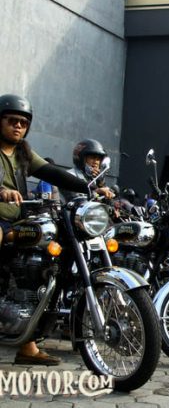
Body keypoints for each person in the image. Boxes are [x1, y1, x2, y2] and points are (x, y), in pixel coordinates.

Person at [0, 94, 92, 365]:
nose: (18, 126)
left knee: (39, 265)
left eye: (23, 122)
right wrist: (2, 191)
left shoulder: (23, 153)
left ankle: (28, 344)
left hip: (18, 220)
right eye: (12, 121)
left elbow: (51, 172)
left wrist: (88, 187)